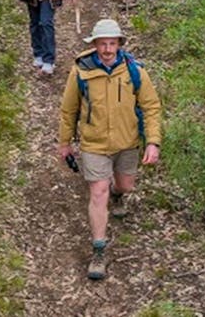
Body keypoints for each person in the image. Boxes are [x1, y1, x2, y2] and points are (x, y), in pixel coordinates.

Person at [59, 18, 161, 281]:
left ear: (119, 44)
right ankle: (99, 250)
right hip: (94, 144)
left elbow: (151, 107)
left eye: (111, 43)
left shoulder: (134, 71)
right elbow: (69, 110)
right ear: (94, 44)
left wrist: (152, 142)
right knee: (98, 191)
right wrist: (65, 142)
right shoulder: (81, 71)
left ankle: (119, 195)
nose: (107, 49)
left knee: (125, 186)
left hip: (127, 143)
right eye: (102, 43)